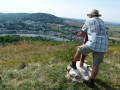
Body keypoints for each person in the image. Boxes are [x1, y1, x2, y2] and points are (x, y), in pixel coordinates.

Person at [70, 9, 108, 87]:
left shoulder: (89, 20)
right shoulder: (102, 22)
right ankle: (91, 81)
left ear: (91, 16)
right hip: (103, 46)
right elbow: (96, 31)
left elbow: (83, 30)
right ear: (98, 16)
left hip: (93, 43)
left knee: (79, 50)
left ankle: (73, 64)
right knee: (95, 65)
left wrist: (82, 32)